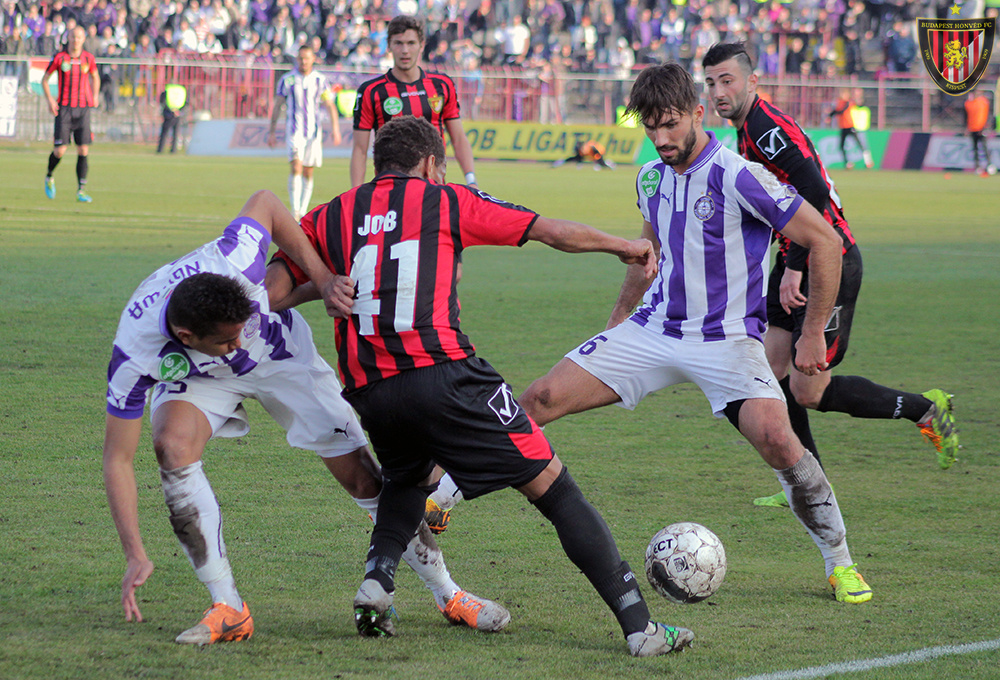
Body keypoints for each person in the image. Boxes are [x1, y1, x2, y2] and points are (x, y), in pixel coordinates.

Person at [267, 115, 693, 657]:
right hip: (444, 374)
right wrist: (623, 247)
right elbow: (550, 231)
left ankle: (377, 580)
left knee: (408, 477)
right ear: (429, 165)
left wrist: (327, 284)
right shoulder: (445, 202)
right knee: (555, 488)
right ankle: (641, 629)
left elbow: (273, 293)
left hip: (371, 389)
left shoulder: (332, 214)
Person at [518, 63, 873, 605]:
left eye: (671, 125)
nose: (660, 139)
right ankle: (442, 497)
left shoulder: (740, 174)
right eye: (650, 127)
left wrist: (810, 335)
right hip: (654, 329)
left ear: (697, 114)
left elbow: (824, 240)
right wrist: (618, 321)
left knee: (780, 439)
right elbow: (645, 257)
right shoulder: (650, 177)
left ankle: (840, 561)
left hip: (728, 341)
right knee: (540, 397)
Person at [103, 189, 510, 645]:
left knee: (364, 479)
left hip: (281, 359)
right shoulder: (135, 353)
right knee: (171, 446)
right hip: (201, 380)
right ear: (184, 336)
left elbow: (266, 203)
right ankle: (229, 607)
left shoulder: (234, 258)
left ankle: (447, 593)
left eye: (241, 332)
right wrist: (134, 553)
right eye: (227, 341)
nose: (237, 346)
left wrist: (321, 280)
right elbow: (118, 458)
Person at [701, 42, 958, 508]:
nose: (719, 91)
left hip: (827, 261)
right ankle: (805, 478)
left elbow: (815, 192)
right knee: (767, 369)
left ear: (752, 81)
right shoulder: (745, 129)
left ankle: (925, 408)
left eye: (727, 80)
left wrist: (796, 266)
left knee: (808, 387)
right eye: (711, 82)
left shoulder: (763, 128)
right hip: (794, 259)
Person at [350, 15, 477, 190]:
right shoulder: (371, 91)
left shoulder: (441, 85)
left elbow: (459, 138)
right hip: (390, 190)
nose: (405, 50)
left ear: (421, 45)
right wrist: (355, 193)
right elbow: (359, 149)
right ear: (389, 46)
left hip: (433, 190)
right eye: (398, 43)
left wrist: (471, 180)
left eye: (411, 43)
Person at [268, 45, 342, 221]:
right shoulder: (288, 80)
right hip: (294, 131)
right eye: (300, 58)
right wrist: (271, 130)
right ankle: (295, 211)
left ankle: (303, 209)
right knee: (296, 167)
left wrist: (335, 128)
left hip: (313, 132)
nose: (303, 61)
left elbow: (329, 104)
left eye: (306, 58)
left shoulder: (320, 80)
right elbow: (278, 104)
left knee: (308, 171)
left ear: (313, 59)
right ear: (297, 59)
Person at [41, 24, 100, 203]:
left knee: (83, 149)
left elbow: (95, 76)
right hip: (64, 109)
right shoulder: (60, 58)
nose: (76, 40)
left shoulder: (88, 59)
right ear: (69, 38)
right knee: (60, 151)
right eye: (73, 37)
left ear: (83, 39)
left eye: (79, 37)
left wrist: (95, 96)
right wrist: (50, 100)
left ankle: (81, 190)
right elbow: (45, 79)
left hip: (83, 110)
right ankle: (49, 176)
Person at [828, 88, 873, 169]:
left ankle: (868, 161)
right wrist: (830, 115)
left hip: (850, 126)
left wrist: (831, 115)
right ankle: (848, 163)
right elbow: (837, 110)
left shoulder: (849, 102)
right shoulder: (840, 102)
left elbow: (841, 110)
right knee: (842, 146)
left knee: (860, 144)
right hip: (843, 127)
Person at [964, 88, 991, 176]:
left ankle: (989, 165)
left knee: (984, 148)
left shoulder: (983, 102)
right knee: (975, 148)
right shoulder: (968, 103)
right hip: (972, 129)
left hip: (981, 128)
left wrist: (985, 127)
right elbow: (965, 116)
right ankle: (977, 166)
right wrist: (966, 128)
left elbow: (987, 115)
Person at [157, 82, 187, 154]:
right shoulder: (181, 91)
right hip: (178, 114)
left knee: (164, 133)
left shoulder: (168, 91)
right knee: (175, 133)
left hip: (168, 113)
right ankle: (173, 150)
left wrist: (171, 110)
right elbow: (185, 102)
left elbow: (162, 101)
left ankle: (160, 150)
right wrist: (178, 111)